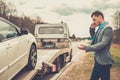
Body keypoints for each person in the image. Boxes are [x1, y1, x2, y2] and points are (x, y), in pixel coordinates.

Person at [77, 11, 114, 80]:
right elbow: (95, 39)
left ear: (100, 17)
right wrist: (92, 29)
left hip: (104, 62)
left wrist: (86, 47)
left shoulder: (108, 28)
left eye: (94, 19)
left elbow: (102, 44)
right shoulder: (100, 28)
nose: (93, 22)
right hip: (98, 60)